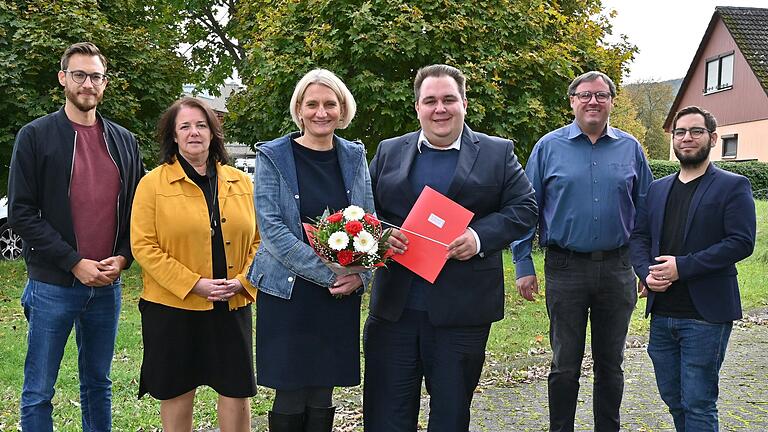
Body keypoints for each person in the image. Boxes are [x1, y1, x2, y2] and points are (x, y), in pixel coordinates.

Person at [363, 64, 538, 432]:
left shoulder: (496, 152)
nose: (439, 109)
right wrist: (379, 236)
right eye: (430, 101)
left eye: (448, 100)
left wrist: (477, 238)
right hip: (395, 310)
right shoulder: (390, 151)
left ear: (464, 103)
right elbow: (364, 210)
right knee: (385, 415)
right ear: (417, 107)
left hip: (462, 313)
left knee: (450, 416)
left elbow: (525, 208)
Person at [8, 42, 143, 432]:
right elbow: (21, 212)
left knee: (98, 384)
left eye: (96, 76)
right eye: (79, 75)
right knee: (39, 389)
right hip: (53, 284)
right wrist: (73, 261)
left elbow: (137, 210)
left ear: (105, 83)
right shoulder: (35, 136)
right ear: (63, 78)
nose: (88, 84)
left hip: (107, 285)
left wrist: (123, 257)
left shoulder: (124, 141)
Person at [512, 70, 653, 431]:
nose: (593, 101)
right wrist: (523, 263)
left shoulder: (631, 148)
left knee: (611, 363)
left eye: (601, 95)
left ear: (611, 102)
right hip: (565, 267)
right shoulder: (548, 147)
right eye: (585, 95)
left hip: (618, 268)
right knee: (564, 365)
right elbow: (527, 207)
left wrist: (645, 266)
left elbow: (646, 213)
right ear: (572, 100)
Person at [246, 68, 373, 432]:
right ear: (299, 109)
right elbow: (272, 230)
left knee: (322, 390)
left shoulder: (354, 155)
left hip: (337, 295)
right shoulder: (273, 155)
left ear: (342, 108)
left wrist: (360, 275)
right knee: (290, 389)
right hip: (288, 292)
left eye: (330, 104)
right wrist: (332, 274)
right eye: (312, 104)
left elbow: (369, 219)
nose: (322, 112)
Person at [130, 97, 259, 431]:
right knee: (176, 389)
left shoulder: (241, 183)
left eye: (201, 125)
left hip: (231, 302)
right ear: (173, 136)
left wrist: (244, 281)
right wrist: (194, 284)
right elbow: (144, 245)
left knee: (235, 389)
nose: (194, 133)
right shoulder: (152, 184)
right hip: (173, 306)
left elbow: (262, 242)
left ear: (213, 133)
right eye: (184, 126)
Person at [629, 106, 756, 431]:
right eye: (680, 132)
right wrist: (645, 272)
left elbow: (741, 242)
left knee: (698, 403)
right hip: (662, 313)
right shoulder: (657, 189)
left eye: (695, 131)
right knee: (673, 397)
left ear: (712, 138)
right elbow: (639, 237)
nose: (687, 138)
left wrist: (681, 268)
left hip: (705, 315)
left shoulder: (733, 185)